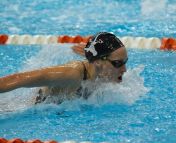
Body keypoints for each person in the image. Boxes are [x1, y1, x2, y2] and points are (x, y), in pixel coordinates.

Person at [0, 32, 128, 104]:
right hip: (23, 108)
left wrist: (91, 54)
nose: (125, 69)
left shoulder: (101, 72)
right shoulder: (71, 74)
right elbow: (19, 78)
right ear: (99, 62)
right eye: (118, 63)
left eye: (125, 62)